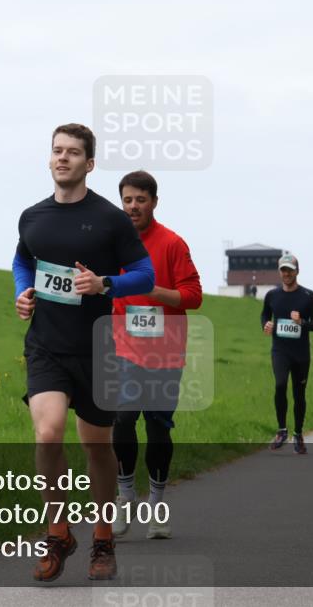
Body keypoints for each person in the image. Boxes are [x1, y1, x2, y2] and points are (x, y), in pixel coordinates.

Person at [14, 123, 156, 582]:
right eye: (57, 151)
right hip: (46, 346)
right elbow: (23, 260)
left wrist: (104, 283)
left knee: (97, 447)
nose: (63, 158)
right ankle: (58, 532)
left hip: (96, 349)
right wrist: (23, 291)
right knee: (48, 433)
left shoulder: (110, 218)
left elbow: (145, 274)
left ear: (89, 163)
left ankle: (102, 537)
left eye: (73, 152)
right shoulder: (33, 217)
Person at [110, 170, 202, 541]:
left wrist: (154, 291)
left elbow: (194, 296)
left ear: (154, 202)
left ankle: (158, 507)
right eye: (128, 199)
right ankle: (125, 493)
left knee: (158, 427)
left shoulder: (172, 244)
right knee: (123, 417)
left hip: (166, 351)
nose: (133, 206)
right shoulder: (111, 243)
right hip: (122, 347)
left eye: (140, 200)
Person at [261, 252, 313, 454]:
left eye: (290, 269)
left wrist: (301, 322)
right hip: (280, 350)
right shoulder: (272, 295)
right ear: (280, 272)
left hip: (301, 353)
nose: (287, 273)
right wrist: (266, 325)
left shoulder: (308, 296)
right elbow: (264, 315)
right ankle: (282, 430)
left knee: (299, 394)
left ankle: (298, 433)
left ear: (297, 271)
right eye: (283, 270)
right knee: (280, 385)